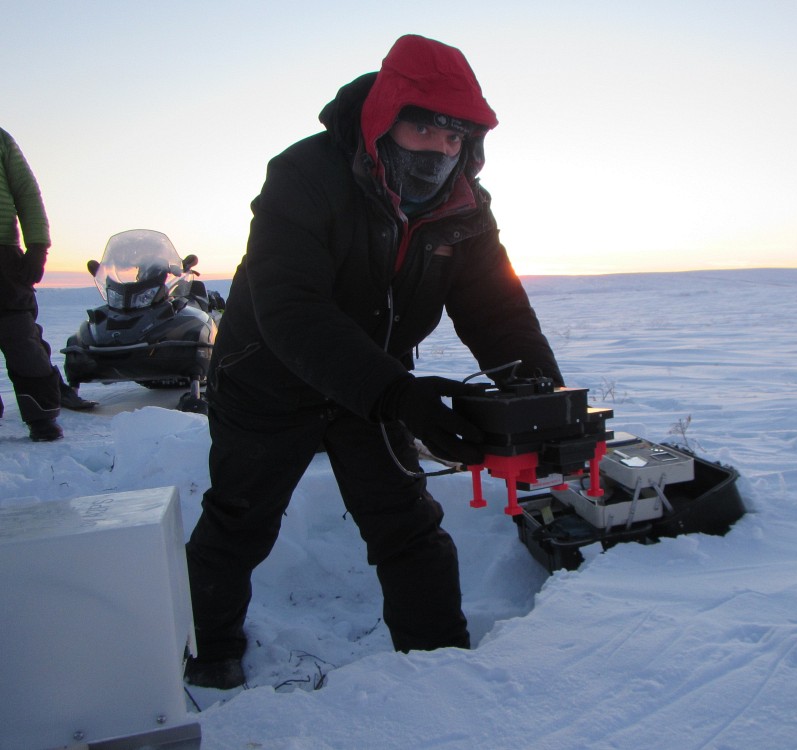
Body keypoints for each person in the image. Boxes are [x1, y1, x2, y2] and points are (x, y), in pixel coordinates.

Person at [183, 34, 563, 689]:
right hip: (268, 374)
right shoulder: (305, 175)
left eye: (456, 136)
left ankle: (439, 667)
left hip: (372, 381)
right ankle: (207, 651)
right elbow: (291, 308)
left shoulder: (466, 206)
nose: (440, 150)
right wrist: (399, 395)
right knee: (239, 520)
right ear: (386, 115)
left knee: (407, 525)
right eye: (424, 127)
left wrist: (543, 400)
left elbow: (494, 308)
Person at [0, 127, 82, 442]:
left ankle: (42, 417)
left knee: (21, 339)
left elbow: (26, 192)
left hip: (4, 260)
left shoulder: (2, 140)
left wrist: (37, 246)